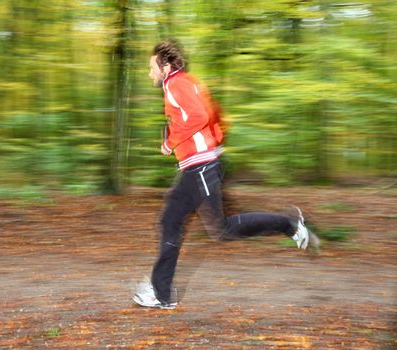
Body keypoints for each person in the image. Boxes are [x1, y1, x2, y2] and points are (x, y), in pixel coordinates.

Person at [133, 39, 319, 310]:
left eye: (152, 67)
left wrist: (170, 142)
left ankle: (289, 224)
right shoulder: (189, 82)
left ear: (166, 65)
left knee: (221, 229)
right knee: (170, 221)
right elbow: (213, 114)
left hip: (201, 167)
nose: (150, 72)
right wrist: (210, 143)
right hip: (195, 167)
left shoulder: (174, 84)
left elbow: (198, 117)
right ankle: (161, 293)